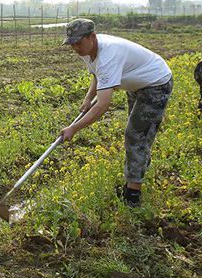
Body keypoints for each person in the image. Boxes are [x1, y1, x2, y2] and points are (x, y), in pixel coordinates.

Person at [60, 18, 172, 207]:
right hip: (136, 84)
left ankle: (132, 195)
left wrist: (74, 128)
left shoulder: (109, 54)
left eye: (78, 43)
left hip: (155, 83)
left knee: (135, 135)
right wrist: (88, 97)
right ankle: (138, 171)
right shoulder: (87, 50)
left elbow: (102, 106)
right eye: (72, 44)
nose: (76, 48)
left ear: (92, 37)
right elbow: (97, 74)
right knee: (138, 136)